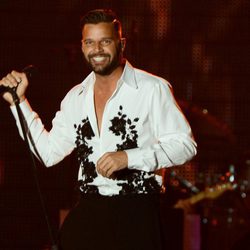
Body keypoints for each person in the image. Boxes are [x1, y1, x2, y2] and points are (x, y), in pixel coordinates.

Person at [0, 9, 197, 250]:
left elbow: (185, 146)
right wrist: (19, 103)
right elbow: (48, 153)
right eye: (90, 42)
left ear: (121, 43)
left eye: (105, 41)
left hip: (137, 214)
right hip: (89, 212)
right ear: (82, 47)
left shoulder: (152, 89)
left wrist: (128, 157)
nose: (98, 49)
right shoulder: (76, 97)